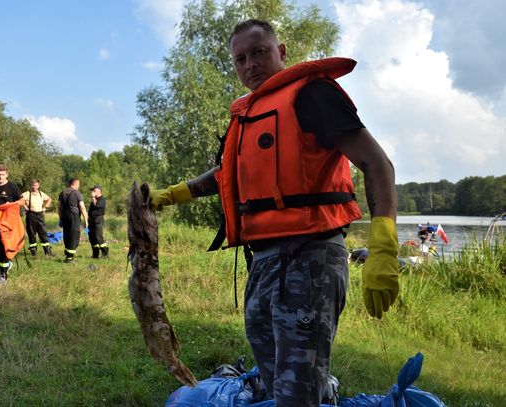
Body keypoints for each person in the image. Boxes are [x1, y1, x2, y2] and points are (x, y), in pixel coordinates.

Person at [150, 20, 399, 406]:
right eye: (241, 59)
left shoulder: (311, 95)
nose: (250, 64)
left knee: (297, 391)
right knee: (273, 375)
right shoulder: (248, 114)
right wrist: (174, 194)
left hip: (310, 258)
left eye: (260, 52)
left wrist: (383, 248)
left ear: (281, 51)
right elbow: (226, 176)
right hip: (264, 262)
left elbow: (377, 163)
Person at [58, 178, 88, 263]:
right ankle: (69, 258)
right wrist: (86, 220)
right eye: (78, 185)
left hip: (64, 216)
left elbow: (59, 207)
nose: (78, 186)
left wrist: (60, 218)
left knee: (67, 234)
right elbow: (82, 208)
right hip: (73, 216)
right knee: (74, 235)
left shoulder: (62, 193)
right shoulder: (77, 193)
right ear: (75, 184)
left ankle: (68, 255)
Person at [22, 179, 53, 256]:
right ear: (30, 186)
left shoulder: (41, 193)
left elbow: (49, 199)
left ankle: (47, 252)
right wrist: (25, 206)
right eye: (33, 185)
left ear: (38, 186)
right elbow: (20, 200)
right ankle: (33, 252)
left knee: (43, 233)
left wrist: (45, 207)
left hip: (40, 215)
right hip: (30, 215)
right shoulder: (26, 194)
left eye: (36, 185)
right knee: (31, 234)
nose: (34, 187)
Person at [88, 185, 109, 258]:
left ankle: (105, 253)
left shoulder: (102, 200)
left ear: (99, 191)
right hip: (91, 220)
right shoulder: (94, 200)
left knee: (98, 236)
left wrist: (93, 197)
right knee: (92, 237)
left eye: (94, 191)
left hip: (98, 220)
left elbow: (96, 205)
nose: (92, 192)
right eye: (92, 191)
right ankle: (95, 254)